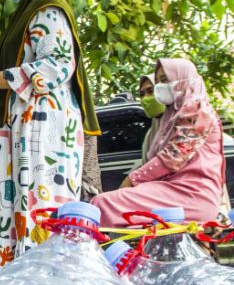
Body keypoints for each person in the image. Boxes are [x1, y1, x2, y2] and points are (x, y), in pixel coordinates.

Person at [0, 0, 101, 270]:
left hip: (44, 129)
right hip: (23, 129)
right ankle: (20, 284)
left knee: (38, 210)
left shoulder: (48, 11)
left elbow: (58, 64)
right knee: (16, 213)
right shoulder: (28, 16)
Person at [92, 58, 225, 226]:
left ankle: (96, 251)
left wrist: (132, 180)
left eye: (165, 80)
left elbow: (173, 157)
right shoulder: (169, 119)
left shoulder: (197, 110)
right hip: (173, 190)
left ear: (184, 79)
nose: (160, 87)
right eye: (159, 81)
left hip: (191, 194)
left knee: (103, 205)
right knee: (103, 205)